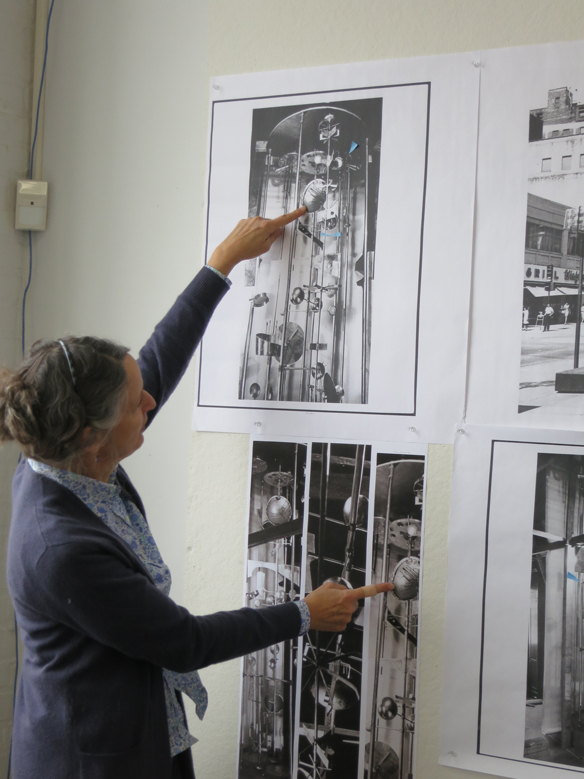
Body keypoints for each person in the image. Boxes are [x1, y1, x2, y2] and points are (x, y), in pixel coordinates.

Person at [0, 208, 393, 779]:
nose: (151, 404)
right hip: (90, 758)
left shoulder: (61, 451)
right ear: (92, 435)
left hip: (142, 725)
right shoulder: (59, 548)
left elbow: (155, 363)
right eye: (138, 405)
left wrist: (221, 263)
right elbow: (182, 641)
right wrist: (303, 614)